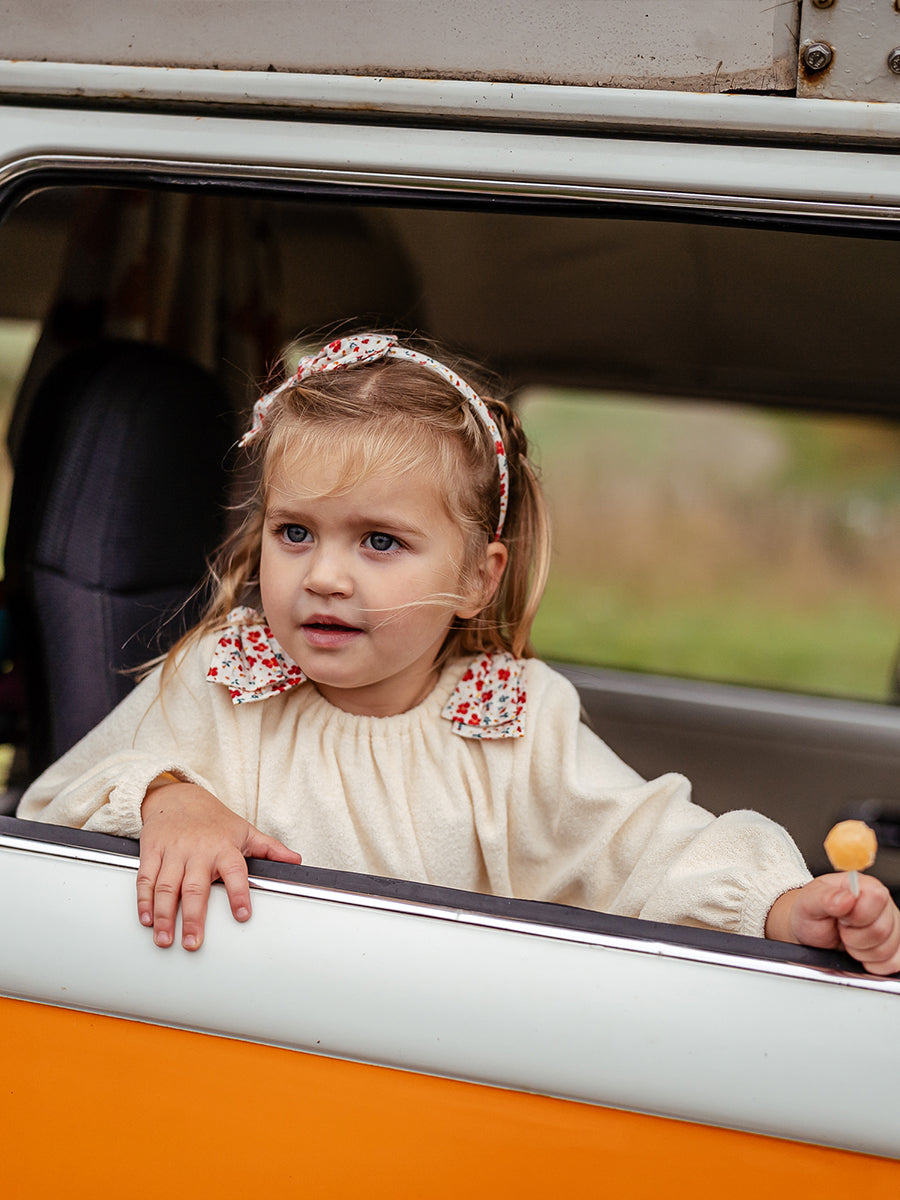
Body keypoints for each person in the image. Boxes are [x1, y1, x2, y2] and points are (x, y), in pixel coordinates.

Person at [18, 333, 900, 974]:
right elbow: (52, 810)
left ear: (479, 578)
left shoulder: (509, 720)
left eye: (380, 542)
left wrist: (782, 907)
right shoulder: (226, 675)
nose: (323, 576)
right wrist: (167, 798)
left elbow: (640, 847)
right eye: (295, 532)